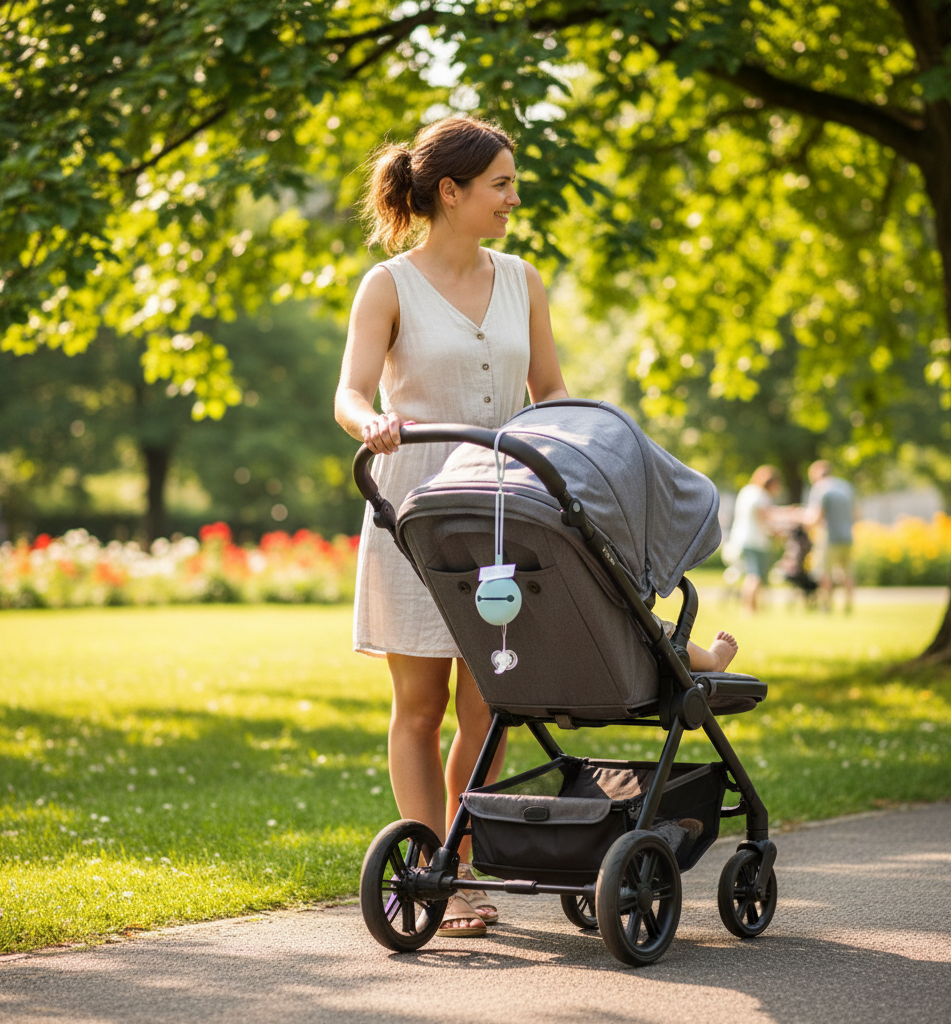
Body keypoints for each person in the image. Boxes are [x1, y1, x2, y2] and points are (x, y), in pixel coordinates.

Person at [335, 116, 738, 937]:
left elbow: (550, 390)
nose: (514, 199)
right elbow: (349, 392)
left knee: (489, 707)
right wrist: (368, 423)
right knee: (419, 707)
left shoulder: (521, 279)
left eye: (512, 184)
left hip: (504, 501)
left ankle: (463, 857)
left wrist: (577, 451)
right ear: (451, 192)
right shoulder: (388, 284)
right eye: (501, 185)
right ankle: (432, 875)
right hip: (420, 507)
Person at [726, 466, 783, 613]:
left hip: (741, 539)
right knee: (755, 576)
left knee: (751, 575)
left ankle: (752, 607)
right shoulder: (761, 495)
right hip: (755, 541)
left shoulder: (746, 491)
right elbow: (764, 516)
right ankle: (749, 609)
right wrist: (778, 532)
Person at [804, 459, 856, 612]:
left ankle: (826, 605)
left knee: (824, 572)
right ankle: (848, 605)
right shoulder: (846, 486)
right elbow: (856, 512)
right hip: (847, 536)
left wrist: (801, 520)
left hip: (829, 536)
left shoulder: (820, 488)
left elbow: (815, 517)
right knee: (847, 572)